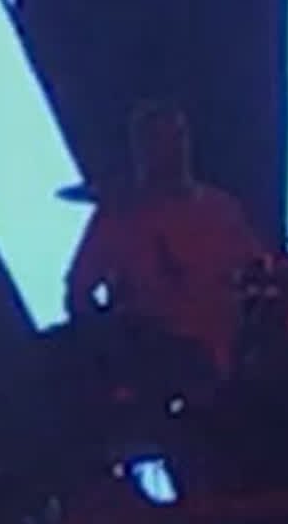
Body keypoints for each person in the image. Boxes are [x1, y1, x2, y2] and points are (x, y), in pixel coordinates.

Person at [61, 103, 273, 388]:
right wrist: (114, 347)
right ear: (140, 150)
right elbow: (78, 291)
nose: (172, 149)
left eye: (177, 137)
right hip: (156, 369)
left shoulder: (220, 207)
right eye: (159, 140)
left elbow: (257, 269)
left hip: (227, 362)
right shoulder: (119, 217)